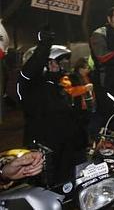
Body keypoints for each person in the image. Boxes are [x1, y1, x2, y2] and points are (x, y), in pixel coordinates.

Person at [17, 30, 87, 184]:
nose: (57, 67)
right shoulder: (29, 85)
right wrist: (44, 45)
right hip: (44, 151)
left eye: (57, 63)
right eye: (51, 63)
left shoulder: (58, 86)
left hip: (66, 150)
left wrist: (81, 140)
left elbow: (68, 117)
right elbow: (29, 71)